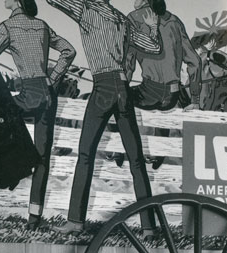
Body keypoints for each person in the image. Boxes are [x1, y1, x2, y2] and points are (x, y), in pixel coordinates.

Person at [46, 0, 161, 233]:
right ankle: (149, 226)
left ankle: (75, 221)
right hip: (124, 89)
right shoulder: (122, 19)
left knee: (86, 154)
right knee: (136, 160)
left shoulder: (85, 9)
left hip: (103, 86)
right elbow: (154, 47)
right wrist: (152, 26)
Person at [0, 0, 76, 227]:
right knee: (43, 156)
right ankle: (34, 218)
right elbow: (69, 50)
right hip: (48, 93)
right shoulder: (42, 25)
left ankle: (11, 168)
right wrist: (53, 77)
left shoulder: (8, 27)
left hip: (29, 92)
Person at [126, 0, 200, 111]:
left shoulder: (133, 18)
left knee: (119, 98)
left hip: (149, 94)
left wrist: (122, 88)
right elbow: (195, 61)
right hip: (172, 96)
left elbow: (128, 62)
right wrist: (195, 100)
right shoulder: (175, 21)